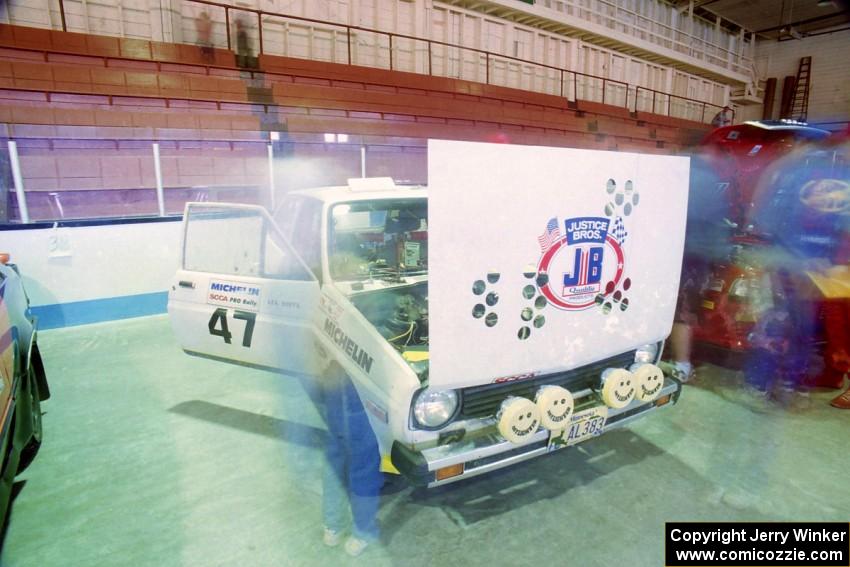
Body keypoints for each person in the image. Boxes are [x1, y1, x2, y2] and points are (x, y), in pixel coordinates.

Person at [670, 151, 735, 380]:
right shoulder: (706, 180)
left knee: (672, 309)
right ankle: (682, 366)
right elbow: (715, 222)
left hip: (672, 252)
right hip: (693, 255)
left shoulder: (677, 174)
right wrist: (721, 253)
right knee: (684, 311)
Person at [321, 364, 383, 556]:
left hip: (334, 371)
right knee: (364, 462)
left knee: (335, 454)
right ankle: (362, 532)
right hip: (361, 378)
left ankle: (333, 526)